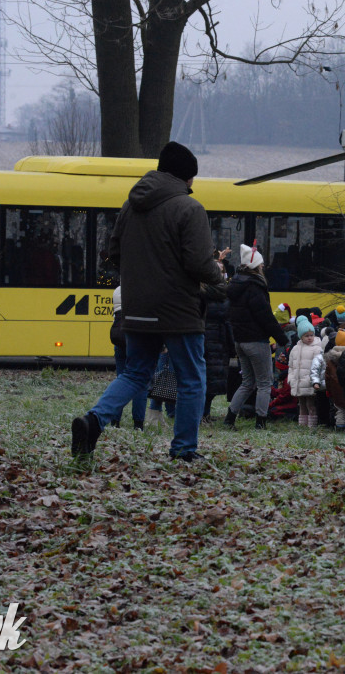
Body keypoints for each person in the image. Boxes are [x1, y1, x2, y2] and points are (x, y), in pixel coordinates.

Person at [70, 141, 222, 462]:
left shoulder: (131, 205)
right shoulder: (189, 208)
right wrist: (219, 274)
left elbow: (115, 252)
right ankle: (183, 450)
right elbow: (198, 264)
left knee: (136, 372)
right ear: (186, 177)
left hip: (136, 306)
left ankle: (94, 420)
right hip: (179, 310)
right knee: (192, 378)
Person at [225, 244, 290, 430]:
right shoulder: (255, 286)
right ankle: (261, 421)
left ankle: (230, 418)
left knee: (247, 382)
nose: (263, 267)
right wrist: (282, 338)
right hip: (256, 341)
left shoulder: (236, 284)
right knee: (264, 383)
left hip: (240, 341)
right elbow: (266, 317)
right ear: (256, 266)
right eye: (261, 265)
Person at [108, 285, 147, 430]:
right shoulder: (143, 289)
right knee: (140, 382)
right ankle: (138, 424)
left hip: (120, 339)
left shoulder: (118, 290)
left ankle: (114, 421)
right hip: (138, 339)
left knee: (121, 380)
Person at [201, 280, 233, 422]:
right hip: (220, 341)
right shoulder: (225, 298)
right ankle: (205, 412)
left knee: (202, 378)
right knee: (213, 380)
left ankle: (202, 413)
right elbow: (228, 323)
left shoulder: (201, 296)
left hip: (203, 338)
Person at [289, 316, 324, 428]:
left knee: (310, 404)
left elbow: (319, 366)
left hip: (309, 381)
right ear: (300, 336)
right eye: (306, 335)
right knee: (301, 404)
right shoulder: (295, 349)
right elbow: (291, 366)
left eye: (311, 335)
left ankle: (312, 425)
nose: (309, 338)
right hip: (298, 382)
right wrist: (291, 378)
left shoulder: (317, 348)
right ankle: (302, 425)